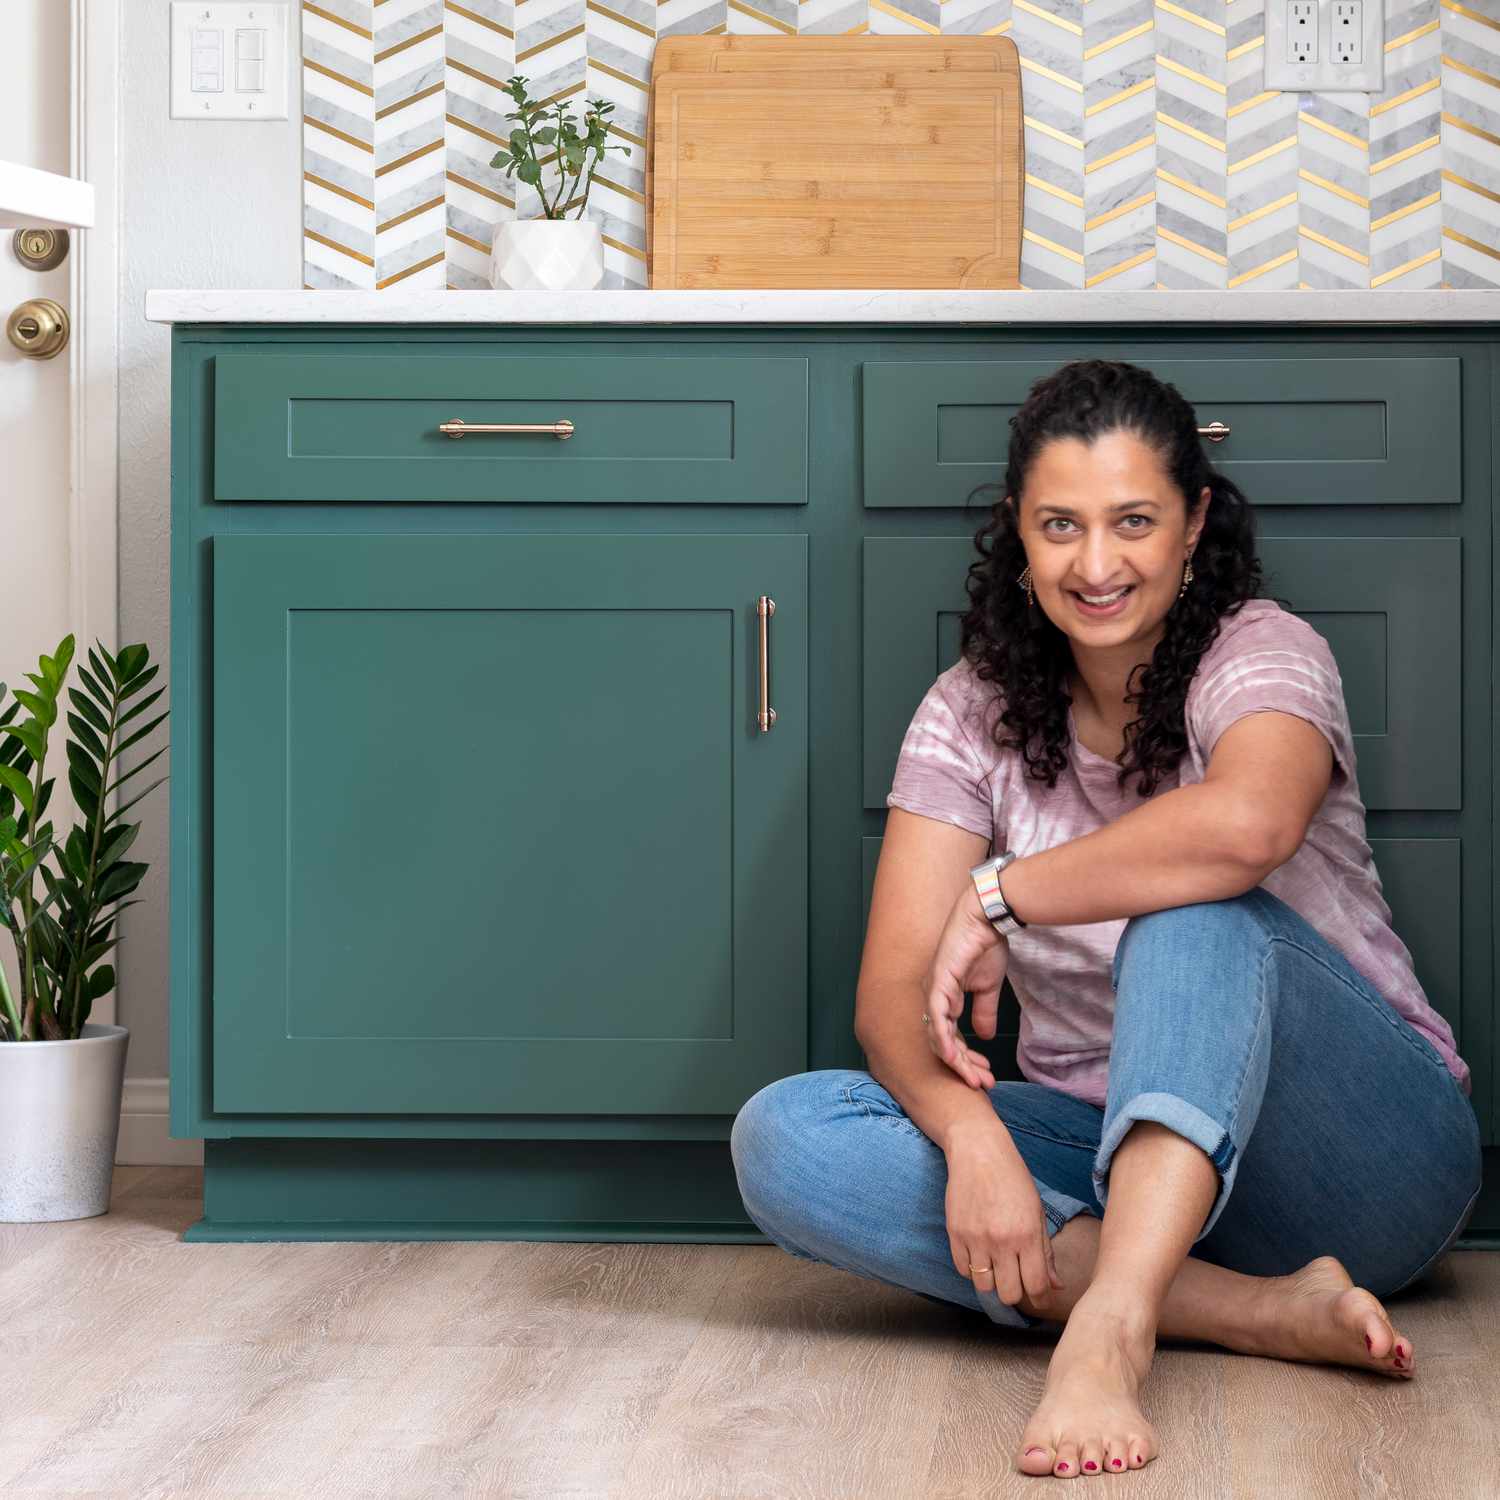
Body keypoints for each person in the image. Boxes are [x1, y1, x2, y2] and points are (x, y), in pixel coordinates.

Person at [729, 358, 1481, 1480]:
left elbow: (1246, 828)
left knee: (1191, 915)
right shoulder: (971, 711)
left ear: (1194, 526)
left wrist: (1002, 893)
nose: (1095, 564)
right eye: (1060, 526)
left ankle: (1114, 1326)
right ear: (1018, 537)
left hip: (1360, 1162)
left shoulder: (1263, 652)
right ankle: (1255, 1313)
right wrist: (973, 1135)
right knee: (788, 1139)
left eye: (1133, 521)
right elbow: (892, 999)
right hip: (1111, 1153)